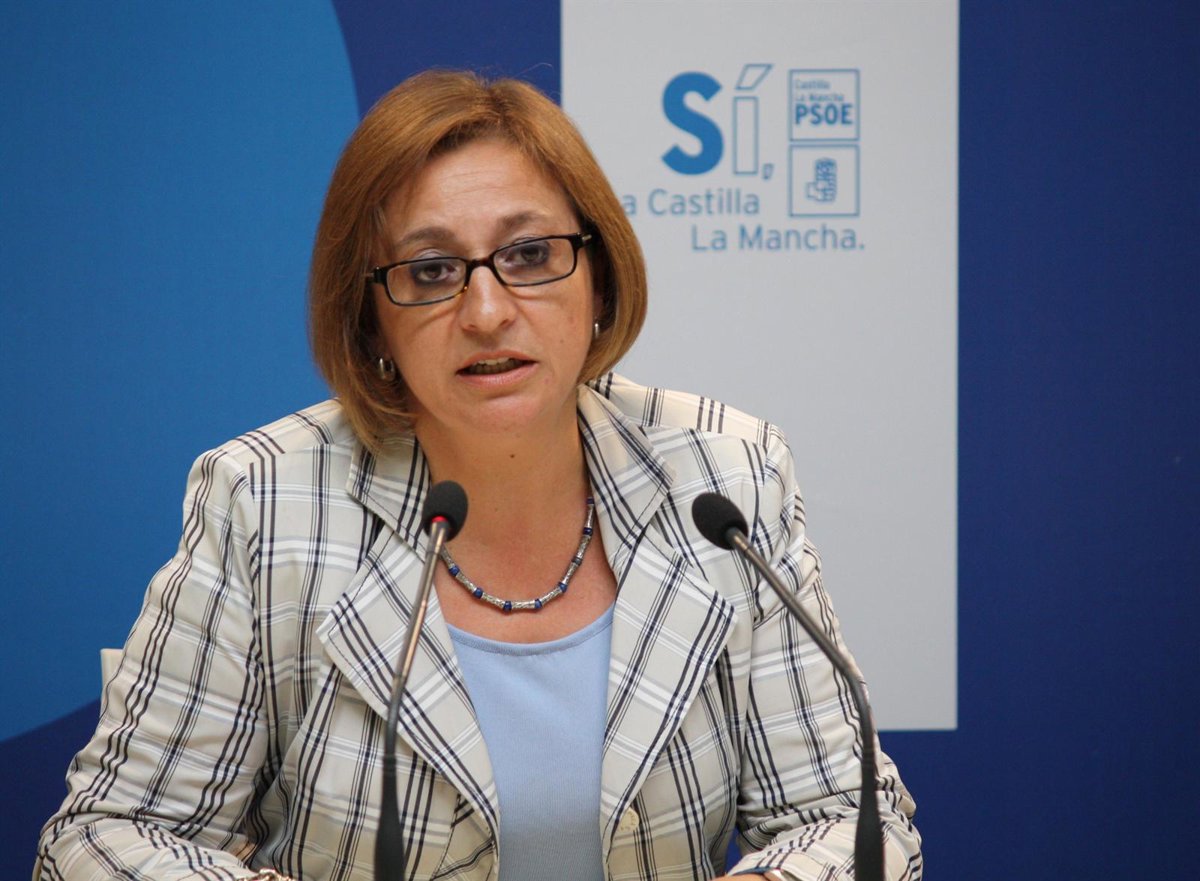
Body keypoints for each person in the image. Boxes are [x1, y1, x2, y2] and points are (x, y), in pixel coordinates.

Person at [35, 70, 921, 881]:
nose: (488, 311)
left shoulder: (725, 474)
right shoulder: (267, 498)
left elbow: (852, 822)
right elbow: (102, 838)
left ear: (599, 278)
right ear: (371, 320)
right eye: (431, 271)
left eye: (530, 255)